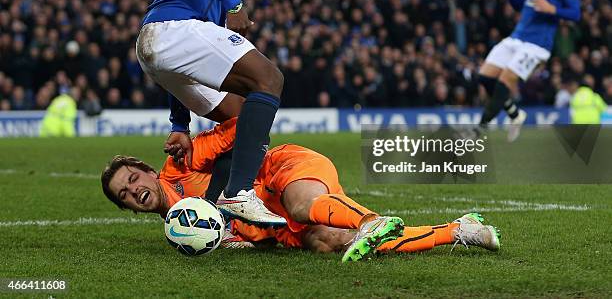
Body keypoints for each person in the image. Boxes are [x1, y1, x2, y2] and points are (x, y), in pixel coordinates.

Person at [101, 119, 501, 262]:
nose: (133, 191)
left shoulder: (183, 163)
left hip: (282, 170)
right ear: (130, 209)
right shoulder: (182, 234)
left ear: (148, 170)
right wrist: (244, 243)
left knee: (302, 204)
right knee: (328, 242)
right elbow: (255, 238)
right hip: (279, 225)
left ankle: (370, 220)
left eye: (133, 179)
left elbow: (243, 125)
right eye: (124, 195)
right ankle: (462, 229)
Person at [135, 0, 289, 225]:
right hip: (170, 30)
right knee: (270, 79)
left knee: (242, 116)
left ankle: (216, 218)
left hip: (161, 47)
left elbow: (185, 67)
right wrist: (234, 4)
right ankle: (239, 191)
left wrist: (179, 125)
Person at [477, 0, 580, 141]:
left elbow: (575, 13)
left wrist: (552, 8)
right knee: (485, 77)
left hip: (537, 45)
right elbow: (520, 4)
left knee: (504, 81)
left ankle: (477, 131)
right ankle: (515, 115)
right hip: (517, 37)